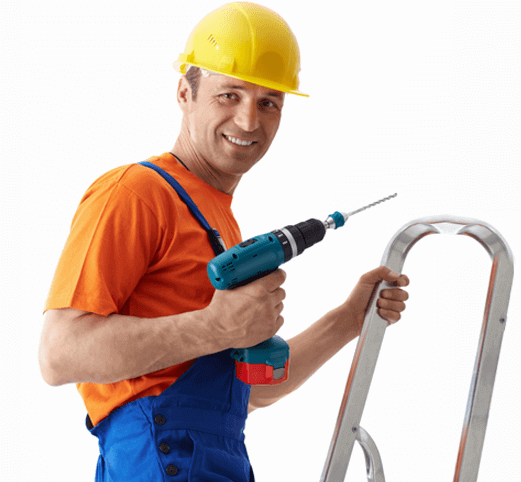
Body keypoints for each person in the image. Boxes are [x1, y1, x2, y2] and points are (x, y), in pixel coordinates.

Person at [38, 2, 410, 481]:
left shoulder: (218, 222)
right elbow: (59, 353)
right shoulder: (135, 193)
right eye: (229, 95)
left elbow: (250, 391)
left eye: (269, 102)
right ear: (185, 93)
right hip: (160, 459)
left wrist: (349, 319)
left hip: (218, 456)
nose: (249, 121)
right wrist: (214, 327)